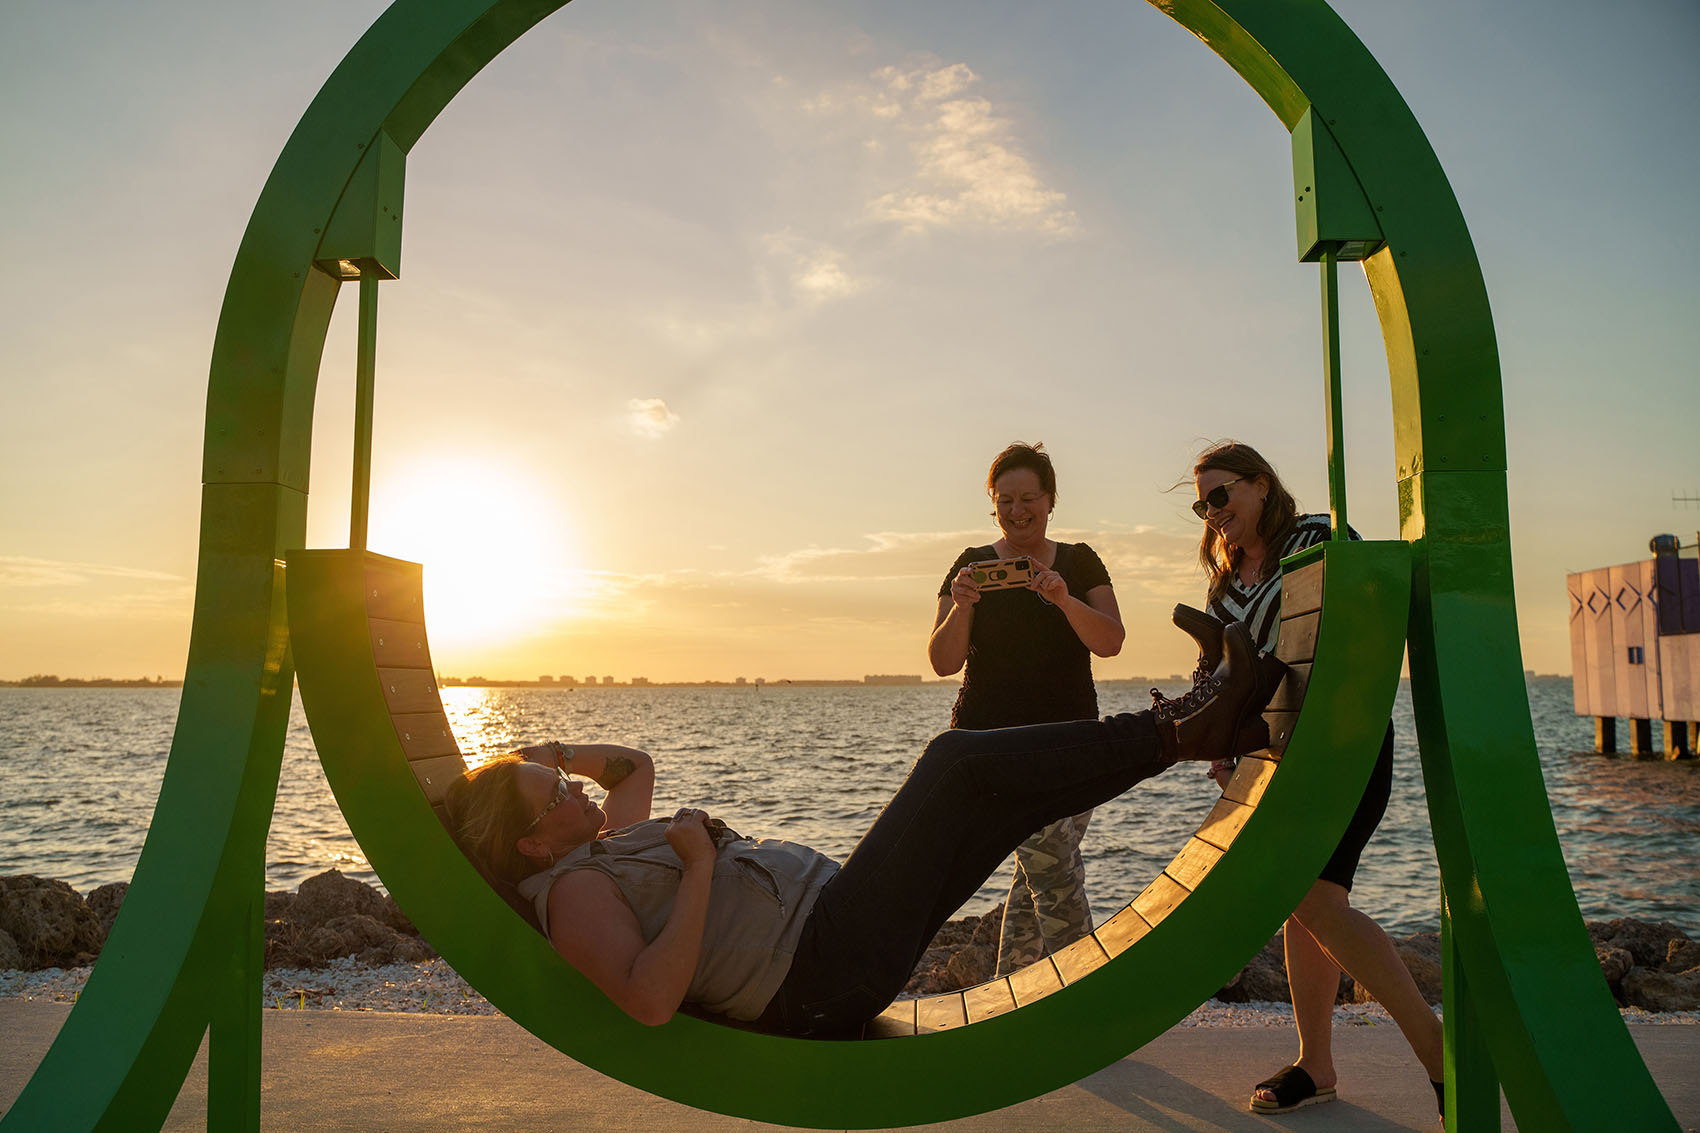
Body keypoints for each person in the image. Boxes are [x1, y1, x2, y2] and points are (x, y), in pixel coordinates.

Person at [446, 625, 1271, 1036]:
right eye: (553, 789)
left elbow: (631, 766)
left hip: (835, 928)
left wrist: (537, 751)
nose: (568, 782)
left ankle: (1194, 727)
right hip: (823, 966)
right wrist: (697, 866)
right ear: (529, 844)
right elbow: (648, 999)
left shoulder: (592, 847)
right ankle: (1185, 728)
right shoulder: (575, 893)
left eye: (559, 776)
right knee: (955, 762)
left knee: (1008, 801)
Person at [1180, 440, 1443, 1117]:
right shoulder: (1225, 582)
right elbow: (1227, 676)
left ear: (1261, 485)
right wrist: (1217, 739)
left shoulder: (1321, 536)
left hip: (1344, 741)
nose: (1212, 512)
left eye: (1221, 495)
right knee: (1308, 900)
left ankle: (1439, 1052)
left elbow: (1367, 610)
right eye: (1200, 503)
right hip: (1275, 757)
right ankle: (1317, 1063)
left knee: (1315, 900)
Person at [928, 442, 1124, 975]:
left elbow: (1110, 642)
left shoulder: (1080, 561)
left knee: (1041, 869)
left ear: (1050, 500)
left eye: (1028, 498)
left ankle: (1013, 982)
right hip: (991, 750)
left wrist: (1064, 599)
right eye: (1005, 499)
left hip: (1072, 745)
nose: (1017, 510)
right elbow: (943, 661)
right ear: (992, 503)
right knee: (1052, 871)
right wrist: (963, 606)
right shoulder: (969, 566)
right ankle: (1085, 992)